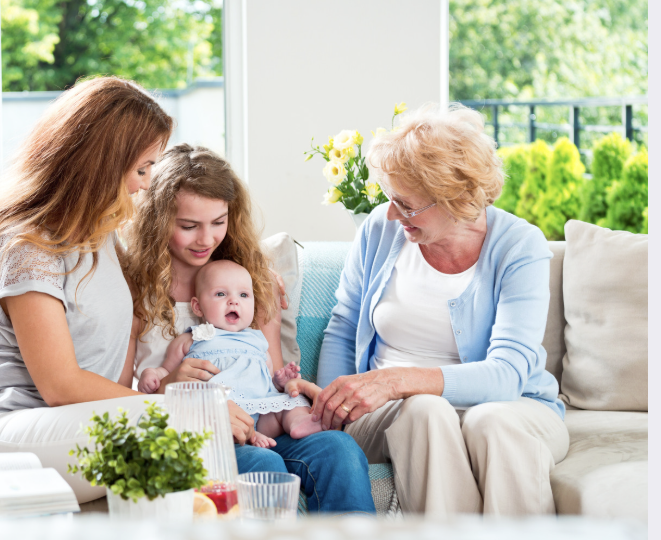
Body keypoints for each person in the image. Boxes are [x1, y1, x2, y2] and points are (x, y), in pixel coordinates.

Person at [312, 103, 569, 517]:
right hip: (388, 413)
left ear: (456, 198)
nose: (393, 214)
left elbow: (507, 375)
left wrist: (398, 380)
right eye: (391, 199)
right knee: (425, 410)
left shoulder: (519, 245)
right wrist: (332, 407)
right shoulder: (381, 229)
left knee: (494, 424)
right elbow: (343, 326)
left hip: (513, 406)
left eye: (407, 204)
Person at [0, 76, 175, 504]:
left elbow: (107, 380)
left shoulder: (101, 235)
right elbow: (61, 385)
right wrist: (180, 410)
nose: (144, 184)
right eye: (141, 169)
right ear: (101, 163)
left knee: (182, 429)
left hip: (63, 425)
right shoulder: (27, 243)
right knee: (178, 427)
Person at [123, 143, 375, 514]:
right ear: (159, 219)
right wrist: (169, 387)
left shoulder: (251, 283)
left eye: (219, 222)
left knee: (341, 450)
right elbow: (114, 396)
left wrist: (290, 387)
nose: (206, 239)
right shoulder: (135, 290)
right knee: (262, 466)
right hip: (191, 433)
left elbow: (270, 369)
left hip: (263, 419)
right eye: (189, 226)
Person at [138, 259, 322, 447]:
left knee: (292, 401)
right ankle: (250, 436)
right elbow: (169, 373)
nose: (234, 301)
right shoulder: (194, 338)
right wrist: (152, 375)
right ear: (198, 306)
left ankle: (297, 423)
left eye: (243, 295)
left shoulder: (258, 341)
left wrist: (280, 381)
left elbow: (267, 382)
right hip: (218, 412)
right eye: (220, 294)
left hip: (259, 410)